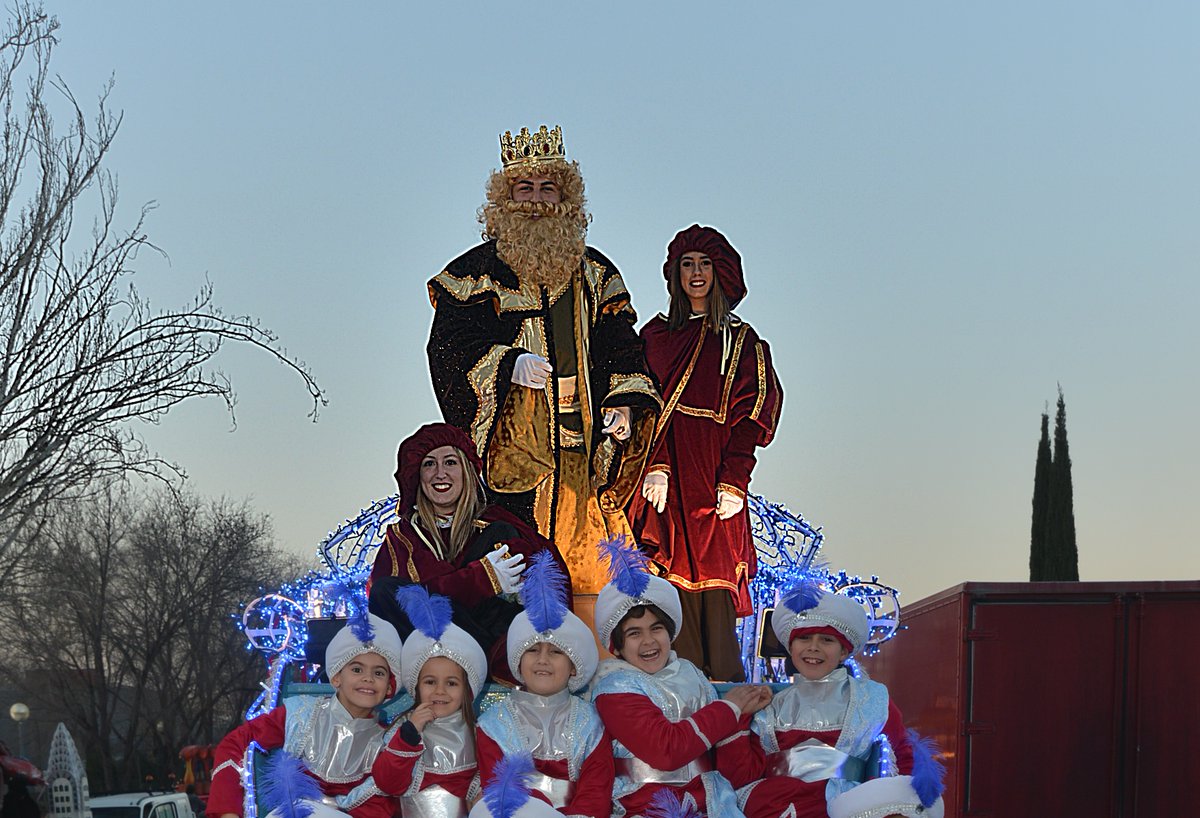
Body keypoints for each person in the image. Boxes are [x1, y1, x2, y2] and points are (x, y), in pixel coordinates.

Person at [426, 125, 661, 596]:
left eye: (547, 189)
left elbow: (622, 341)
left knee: (596, 578)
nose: (536, 200)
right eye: (524, 188)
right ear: (504, 198)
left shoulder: (597, 272)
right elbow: (448, 345)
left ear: (566, 199)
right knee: (520, 573)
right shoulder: (473, 273)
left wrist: (625, 401)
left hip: (585, 451)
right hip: (513, 458)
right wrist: (505, 363)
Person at [628, 225, 783, 683]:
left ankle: (725, 711)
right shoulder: (654, 337)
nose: (695, 274)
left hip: (714, 475)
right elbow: (640, 401)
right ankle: (675, 700)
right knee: (667, 588)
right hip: (664, 478)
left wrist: (736, 477)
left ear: (722, 273)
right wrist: (652, 463)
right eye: (687, 264)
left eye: (704, 264)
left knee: (714, 589)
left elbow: (754, 415)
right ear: (674, 274)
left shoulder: (743, 341)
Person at [718, 582, 945, 818]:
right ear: (791, 647)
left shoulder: (871, 699)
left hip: (844, 805)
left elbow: (902, 757)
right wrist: (740, 716)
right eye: (804, 638)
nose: (813, 648)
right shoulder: (770, 704)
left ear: (844, 652)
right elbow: (741, 774)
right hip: (773, 806)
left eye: (827, 640)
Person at [368, 422, 568, 684]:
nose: (440, 473)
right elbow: (387, 603)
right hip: (428, 652)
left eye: (450, 462)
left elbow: (542, 592)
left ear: (466, 470)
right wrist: (481, 579)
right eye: (429, 464)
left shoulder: (499, 527)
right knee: (387, 591)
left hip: (484, 647)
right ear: (418, 476)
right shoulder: (402, 539)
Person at [589, 537, 773, 817]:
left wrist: (742, 714)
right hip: (643, 805)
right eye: (634, 633)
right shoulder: (614, 687)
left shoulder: (691, 674)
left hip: (711, 803)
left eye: (656, 628)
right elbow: (665, 750)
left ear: (670, 631)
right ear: (619, 646)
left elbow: (735, 773)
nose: (649, 641)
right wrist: (730, 708)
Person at [207, 614, 405, 818]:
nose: (368, 678)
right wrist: (227, 812)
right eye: (357, 669)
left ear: (389, 687)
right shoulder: (300, 715)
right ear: (336, 677)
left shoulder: (388, 743)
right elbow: (234, 744)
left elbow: (382, 806)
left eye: (379, 673)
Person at [476, 552, 612, 817]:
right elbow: (500, 797)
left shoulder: (592, 723)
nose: (543, 660)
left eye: (556, 652)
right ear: (517, 660)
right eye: (533, 650)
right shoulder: (493, 725)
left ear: (573, 666)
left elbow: (595, 793)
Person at [374, 585, 487, 817]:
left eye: (452, 683)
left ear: (467, 691)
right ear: (416, 687)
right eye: (430, 682)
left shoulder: (478, 733)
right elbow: (388, 783)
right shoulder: (403, 729)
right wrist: (409, 735)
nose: (440, 691)